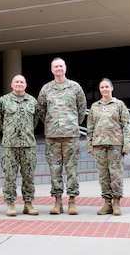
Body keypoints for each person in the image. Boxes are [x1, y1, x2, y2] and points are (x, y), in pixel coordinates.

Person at [37, 57, 86, 215]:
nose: (58, 69)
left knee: (72, 170)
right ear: (52, 70)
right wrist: (52, 123)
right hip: (52, 136)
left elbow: (81, 109)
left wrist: (71, 123)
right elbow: (41, 111)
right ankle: (57, 201)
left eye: (61, 66)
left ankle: (72, 201)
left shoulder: (75, 87)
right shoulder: (46, 89)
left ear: (65, 68)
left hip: (71, 136)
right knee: (54, 170)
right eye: (55, 66)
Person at [0, 74, 40, 217]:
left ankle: (28, 204)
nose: (19, 84)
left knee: (29, 176)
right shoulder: (3, 101)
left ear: (26, 85)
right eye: (16, 82)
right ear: (12, 85)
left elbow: (35, 120)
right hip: (10, 145)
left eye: (22, 82)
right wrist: (8, 131)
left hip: (28, 145)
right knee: (10, 176)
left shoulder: (32, 101)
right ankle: (11, 204)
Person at [86, 78, 130, 216]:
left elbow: (126, 125)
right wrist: (90, 145)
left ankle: (117, 202)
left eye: (107, 86)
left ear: (112, 88)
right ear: (99, 89)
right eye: (102, 87)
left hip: (115, 145)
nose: (104, 89)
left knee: (116, 174)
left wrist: (127, 145)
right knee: (103, 175)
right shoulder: (95, 106)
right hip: (99, 145)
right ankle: (107, 203)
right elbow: (90, 127)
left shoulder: (119, 105)